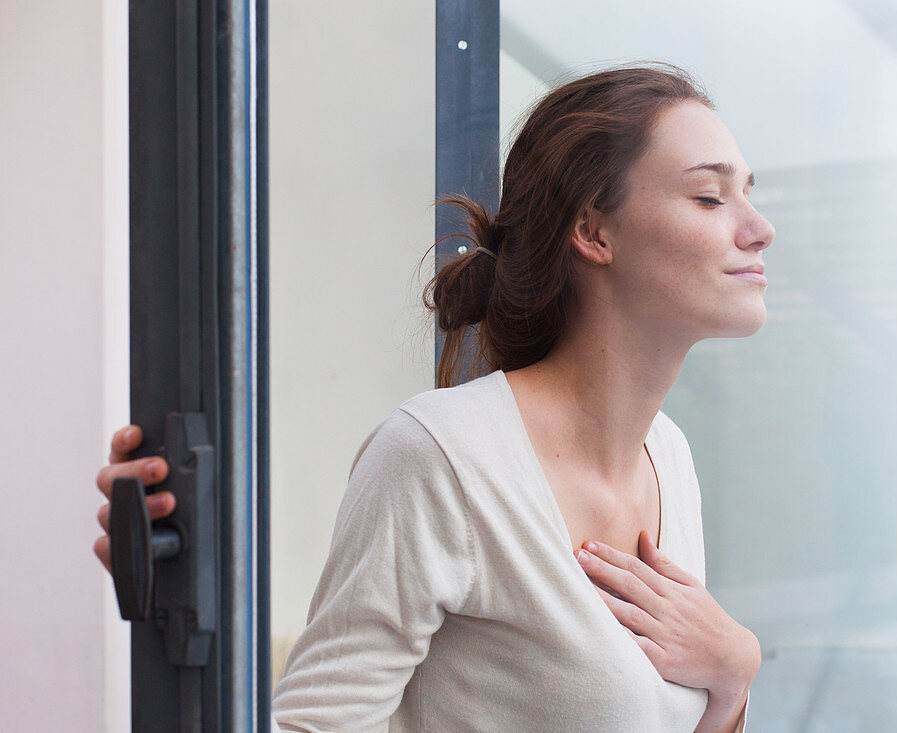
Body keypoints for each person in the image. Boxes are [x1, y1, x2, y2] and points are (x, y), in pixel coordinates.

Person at [94, 62, 774, 732]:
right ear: (594, 231)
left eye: (749, 191)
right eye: (711, 198)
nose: (759, 227)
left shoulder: (669, 456)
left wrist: (733, 675)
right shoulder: (444, 458)